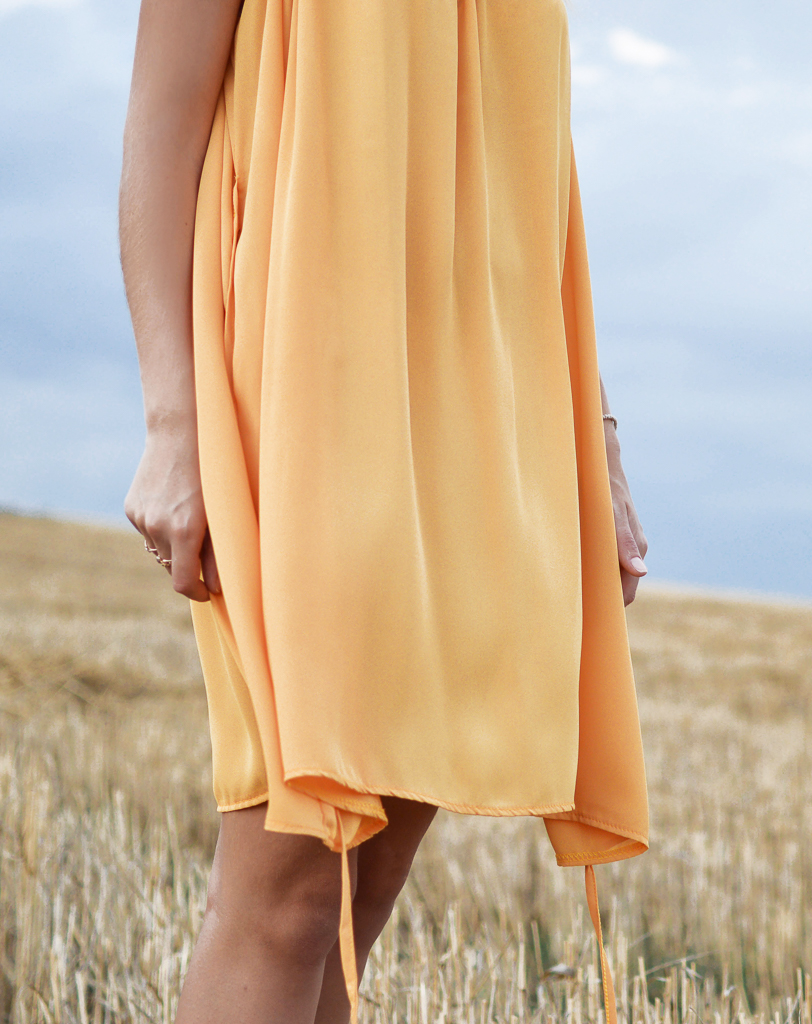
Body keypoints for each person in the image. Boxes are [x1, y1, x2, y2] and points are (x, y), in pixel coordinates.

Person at [119, 0, 650, 1021]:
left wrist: (598, 438)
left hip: (486, 396)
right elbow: (163, 121)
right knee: (292, 885)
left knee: (356, 895)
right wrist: (171, 420)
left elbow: (532, 172)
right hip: (306, 370)